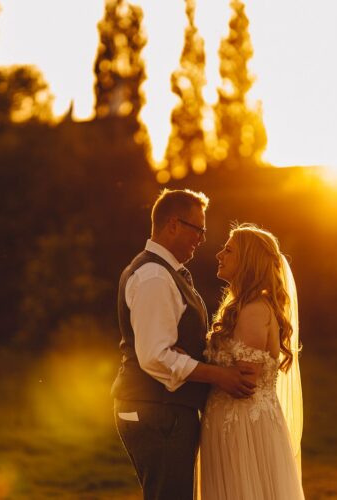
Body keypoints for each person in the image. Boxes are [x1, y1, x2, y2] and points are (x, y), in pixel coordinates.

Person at [111, 189, 256, 500]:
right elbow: (155, 357)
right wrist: (220, 375)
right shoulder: (154, 277)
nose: (202, 238)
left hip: (163, 408)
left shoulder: (164, 273)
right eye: (198, 229)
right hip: (158, 410)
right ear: (173, 225)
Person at [198, 223, 304, 499]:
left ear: (248, 261)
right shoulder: (245, 306)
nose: (220, 254)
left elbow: (245, 380)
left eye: (229, 250)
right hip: (232, 422)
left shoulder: (255, 310)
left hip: (242, 427)